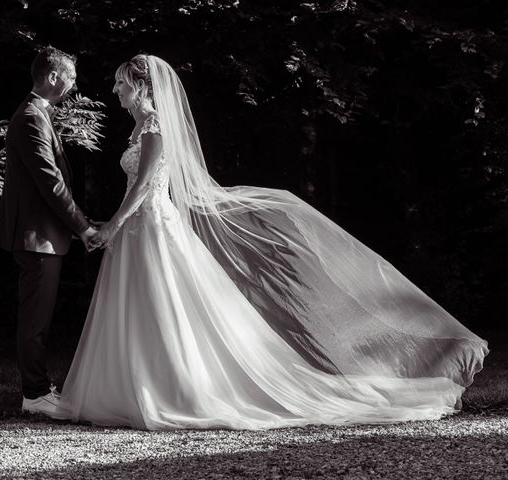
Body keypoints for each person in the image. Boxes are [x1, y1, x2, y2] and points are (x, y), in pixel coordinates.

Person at [58, 54, 488, 430]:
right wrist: (114, 222)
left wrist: (113, 226)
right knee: (138, 306)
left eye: (120, 82)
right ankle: (130, 390)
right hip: (138, 228)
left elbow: (146, 187)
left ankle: (171, 389)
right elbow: (135, 186)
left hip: (151, 226)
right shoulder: (136, 131)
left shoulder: (153, 130)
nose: (114, 89)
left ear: (141, 86)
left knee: (163, 305)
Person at [0, 46, 97, 419]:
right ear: (52, 77)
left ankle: (38, 388)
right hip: (36, 236)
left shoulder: (38, 114)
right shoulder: (30, 118)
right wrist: (83, 227)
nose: (73, 84)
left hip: (42, 235)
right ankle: (35, 394)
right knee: (35, 318)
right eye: (69, 77)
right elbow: (51, 184)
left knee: (39, 315)